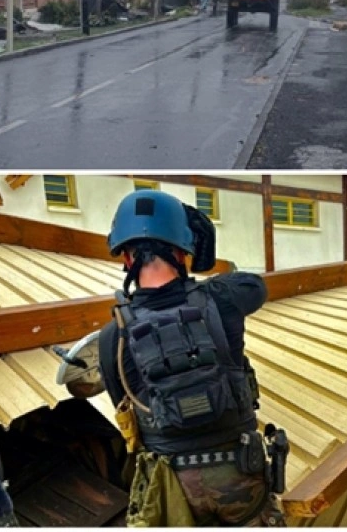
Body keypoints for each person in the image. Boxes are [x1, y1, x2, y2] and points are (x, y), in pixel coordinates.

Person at [85, 189, 284, 527]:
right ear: (183, 250)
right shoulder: (222, 300)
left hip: (171, 486)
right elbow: (256, 286)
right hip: (240, 472)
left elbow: (125, 407)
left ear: (127, 260)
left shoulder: (111, 338)